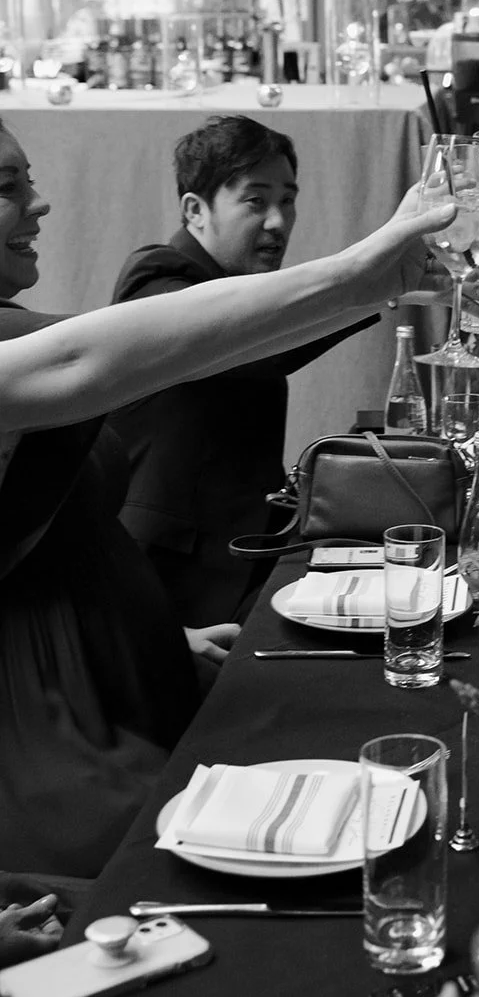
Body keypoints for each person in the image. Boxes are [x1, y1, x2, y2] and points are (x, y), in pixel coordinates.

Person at [0, 116, 462, 876]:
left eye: (31, 180)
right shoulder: (122, 297)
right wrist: (362, 275)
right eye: (6, 186)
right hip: (49, 724)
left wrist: (161, 641)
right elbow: (110, 356)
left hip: (123, 666)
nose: (39, 202)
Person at [108, 115, 381, 626]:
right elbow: (253, 345)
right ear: (195, 210)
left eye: (288, 200)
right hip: (172, 584)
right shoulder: (157, 278)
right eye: (256, 201)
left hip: (250, 554)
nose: (278, 222)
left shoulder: (249, 292)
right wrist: (377, 283)